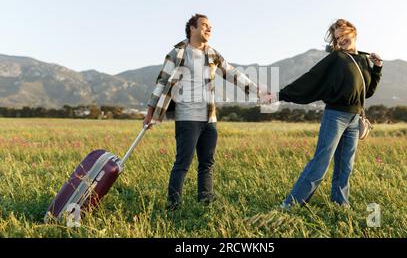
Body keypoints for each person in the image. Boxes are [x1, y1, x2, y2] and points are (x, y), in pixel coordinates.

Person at [143, 14, 270, 210]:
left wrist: (258, 90)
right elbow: (161, 82)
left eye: (210, 26)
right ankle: (173, 206)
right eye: (204, 25)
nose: (209, 29)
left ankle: (205, 202)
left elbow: (233, 74)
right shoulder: (177, 53)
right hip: (187, 118)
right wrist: (150, 112)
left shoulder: (212, 54)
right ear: (192, 29)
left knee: (207, 163)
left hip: (209, 119)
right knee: (182, 163)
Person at [276, 19, 383, 208]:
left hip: (354, 117)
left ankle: (340, 203)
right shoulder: (336, 58)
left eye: (344, 35)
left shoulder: (365, 59)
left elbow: (368, 92)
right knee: (321, 162)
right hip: (336, 115)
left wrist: (377, 68)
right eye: (337, 38)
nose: (341, 40)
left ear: (353, 32)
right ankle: (291, 204)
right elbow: (312, 77)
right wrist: (281, 94)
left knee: (345, 166)